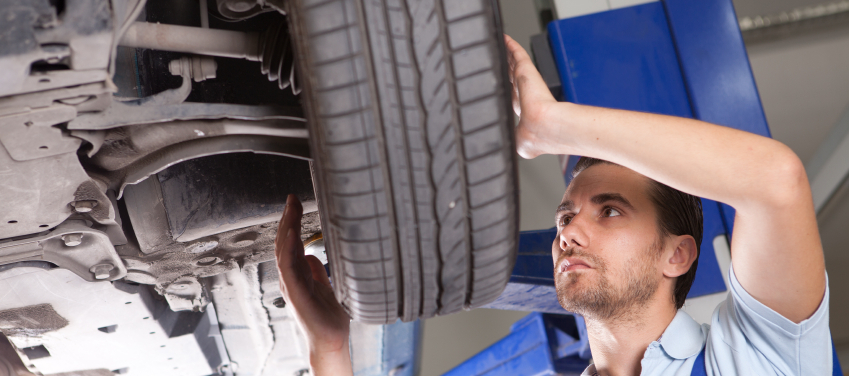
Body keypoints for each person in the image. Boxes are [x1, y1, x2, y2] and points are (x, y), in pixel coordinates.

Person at [274, 35, 831, 376]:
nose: (568, 231)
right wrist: (330, 349)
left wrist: (556, 127)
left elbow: (775, 181)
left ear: (677, 254)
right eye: (566, 216)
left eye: (609, 210)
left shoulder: (757, 360)